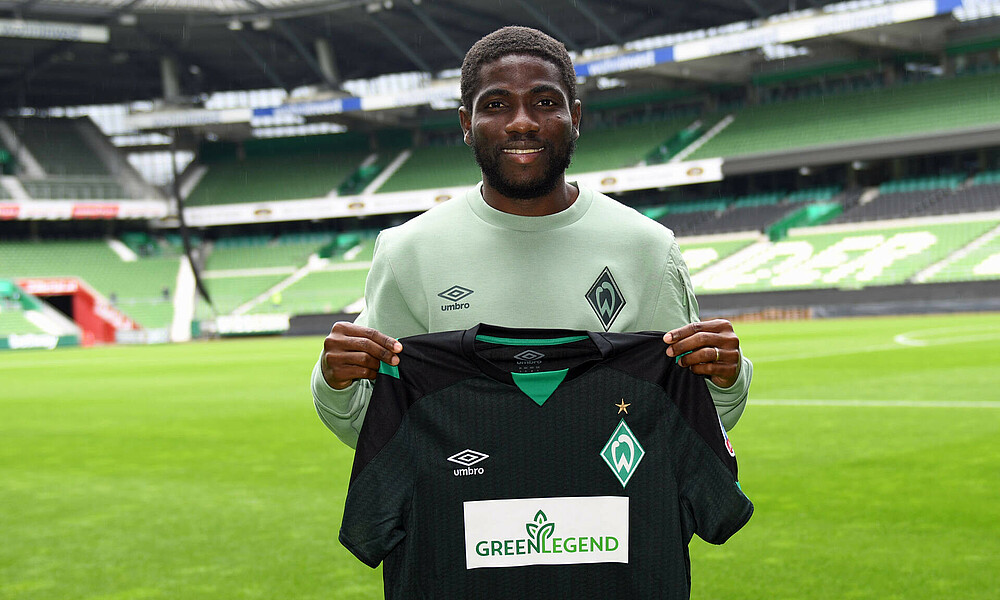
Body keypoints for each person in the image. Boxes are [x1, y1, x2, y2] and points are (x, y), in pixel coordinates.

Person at [312, 26, 752, 449]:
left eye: (544, 102)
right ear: (467, 122)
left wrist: (727, 378)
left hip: (610, 521)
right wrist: (335, 383)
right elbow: (377, 426)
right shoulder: (406, 252)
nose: (522, 123)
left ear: (574, 116)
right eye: (497, 104)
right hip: (459, 520)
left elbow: (692, 414)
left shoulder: (648, 248)